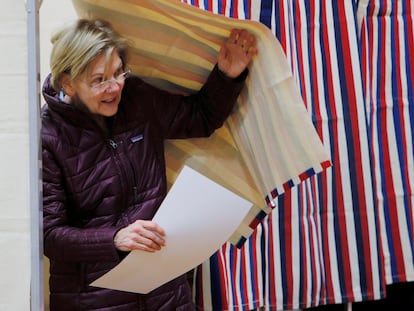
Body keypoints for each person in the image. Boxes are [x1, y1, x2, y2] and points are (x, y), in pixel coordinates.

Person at [41, 18, 257, 311]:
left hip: (164, 290)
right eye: (99, 79)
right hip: (92, 300)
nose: (114, 87)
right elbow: (50, 236)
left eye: (118, 72)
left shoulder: (138, 99)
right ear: (67, 82)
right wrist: (115, 238)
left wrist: (227, 75)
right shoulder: (46, 135)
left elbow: (200, 118)